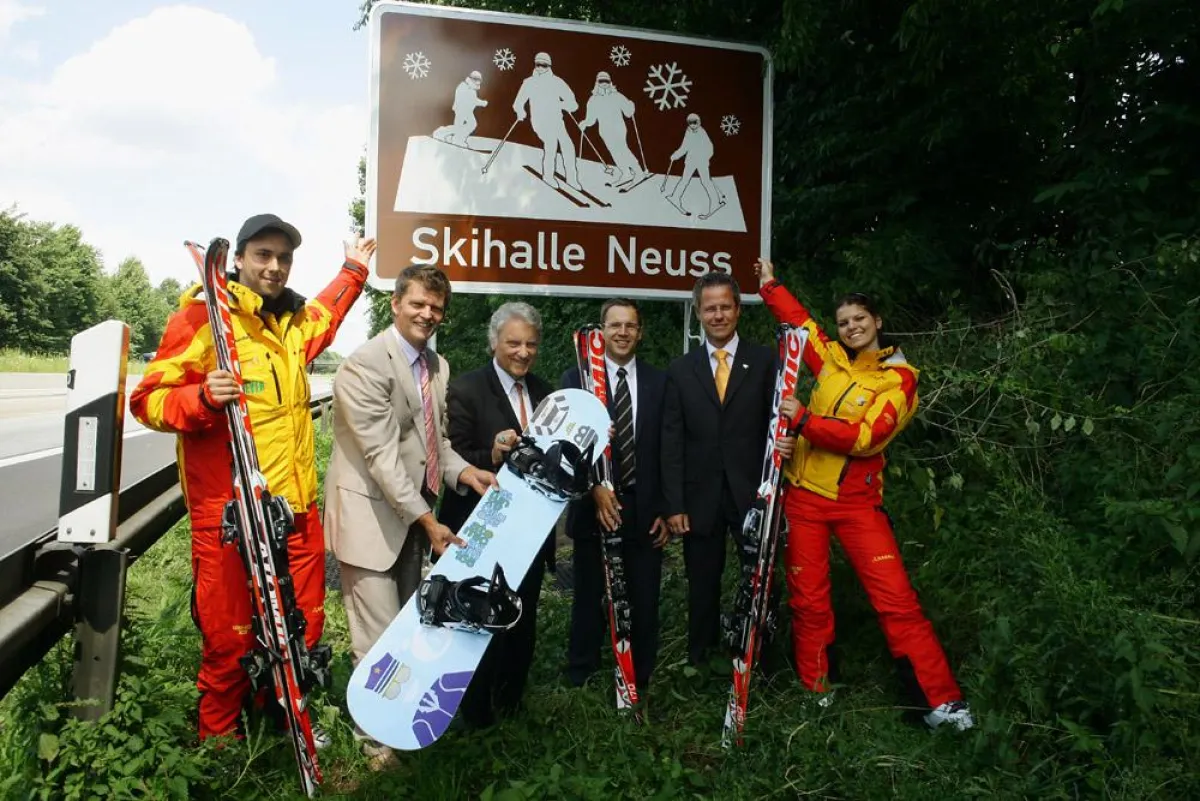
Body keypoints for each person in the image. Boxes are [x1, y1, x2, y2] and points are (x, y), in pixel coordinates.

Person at [130, 214, 376, 743]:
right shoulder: (202, 318)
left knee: (301, 625)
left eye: (283, 258)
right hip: (229, 514)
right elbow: (147, 400)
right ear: (238, 259)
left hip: (296, 509)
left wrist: (354, 269)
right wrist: (199, 399)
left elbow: (328, 314)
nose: (274, 266)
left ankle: (284, 718)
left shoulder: (291, 325)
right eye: (263, 255)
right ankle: (219, 743)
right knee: (229, 637)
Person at [755, 257, 974, 731]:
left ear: (877, 322)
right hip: (804, 498)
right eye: (844, 322)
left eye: (859, 320)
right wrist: (771, 286)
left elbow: (866, 437)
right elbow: (800, 325)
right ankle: (817, 690)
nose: (851, 328)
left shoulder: (900, 379)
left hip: (858, 504)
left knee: (897, 601)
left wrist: (804, 420)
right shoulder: (830, 357)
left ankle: (941, 702)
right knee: (809, 600)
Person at [323, 264, 497, 767]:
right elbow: (380, 458)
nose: (427, 313)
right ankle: (375, 742)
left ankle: (397, 721)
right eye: (418, 303)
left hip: (412, 519)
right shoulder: (364, 366)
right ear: (396, 303)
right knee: (376, 637)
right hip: (371, 520)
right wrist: (428, 520)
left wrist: (467, 475)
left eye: (436, 307)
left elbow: (435, 443)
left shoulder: (435, 367)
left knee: (406, 631)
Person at [441, 301, 554, 726]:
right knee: (473, 620)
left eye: (530, 344)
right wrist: (489, 453)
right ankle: (474, 715)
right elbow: (449, 454)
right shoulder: (465, 388)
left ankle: (511, 705)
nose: (523, 351)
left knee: (521, 621)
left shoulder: (547, 394)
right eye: (514, 343)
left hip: (530, 532)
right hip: (478, 529)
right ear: (494, 343)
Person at [661, 272, 776, 667]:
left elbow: (774, 426)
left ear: (738, 309)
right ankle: (701, 659)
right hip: (700, 495)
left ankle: (758, 656)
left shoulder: (765, 361)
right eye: (710, 308)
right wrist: (675, 503)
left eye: (725, 306)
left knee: (760, 580)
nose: (718, 314)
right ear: (699, 312)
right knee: (703, 583)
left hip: (753, 493)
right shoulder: (680, 369)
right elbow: (671, 441)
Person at [561, 299, 668, 697]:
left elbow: (669, 449)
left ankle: (638, 678)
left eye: (630, 326)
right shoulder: (576, 378)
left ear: (640, 332)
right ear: (601, 331)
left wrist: (664, 509)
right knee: (588, 597)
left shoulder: (660, 382)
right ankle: (580, 676)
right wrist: (593, 487)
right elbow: (564, 447)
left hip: (643, 508)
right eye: (614, 325)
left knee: (643, 597)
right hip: (594, 506)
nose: (622, 332)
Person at [513, 51, 582, 191]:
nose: (540, 67)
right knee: (551, 142)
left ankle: (572, 179)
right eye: (537, 64)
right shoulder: (529, 83)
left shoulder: (557, 82)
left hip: (557, 121)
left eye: (543, 65)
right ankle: (548, 175)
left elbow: (573, 103)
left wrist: (563, 105)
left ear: (549, 66)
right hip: (540, 121)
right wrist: (521, 111)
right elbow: (518, 102)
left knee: (568, 145)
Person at [579, 71, 643, 185]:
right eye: (601, 81)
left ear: (610, 82)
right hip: (604, 131)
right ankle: (626, 173)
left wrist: (630, 106)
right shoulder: (593, 100)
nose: (604, 83)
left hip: (618, 128)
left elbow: (628, 113)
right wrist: (585, 123)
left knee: (622, 149)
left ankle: (638, 172)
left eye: (606, 81)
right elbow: (591, 119)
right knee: (614, 152)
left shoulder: (616, 96)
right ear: (597, 83)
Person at [666, 113, 723, 217]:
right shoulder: (688, 132)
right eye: (690, 123)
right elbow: (684, 147)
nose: (692, 125)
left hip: (701, 161)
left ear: (699, 122)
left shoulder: (702, 133)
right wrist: (675, 155)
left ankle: (715, 203)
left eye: (694, 123)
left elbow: (710, 148)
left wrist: (705, 157)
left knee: (706, 181)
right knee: (685, 180)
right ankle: (675, 197)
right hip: (691, 161)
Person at [432, 70, 488, 148]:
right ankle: (455, 138)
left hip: (467, 111)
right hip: (461, 110)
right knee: (465, 125)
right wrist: (482, 103)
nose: (478, 82)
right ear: (471, 79)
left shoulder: (471, 88)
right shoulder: (463, 87)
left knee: (465, 125)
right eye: (476, 80)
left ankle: (446, 134)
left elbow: (472, 99)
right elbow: (471, 100)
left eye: (479, 80)